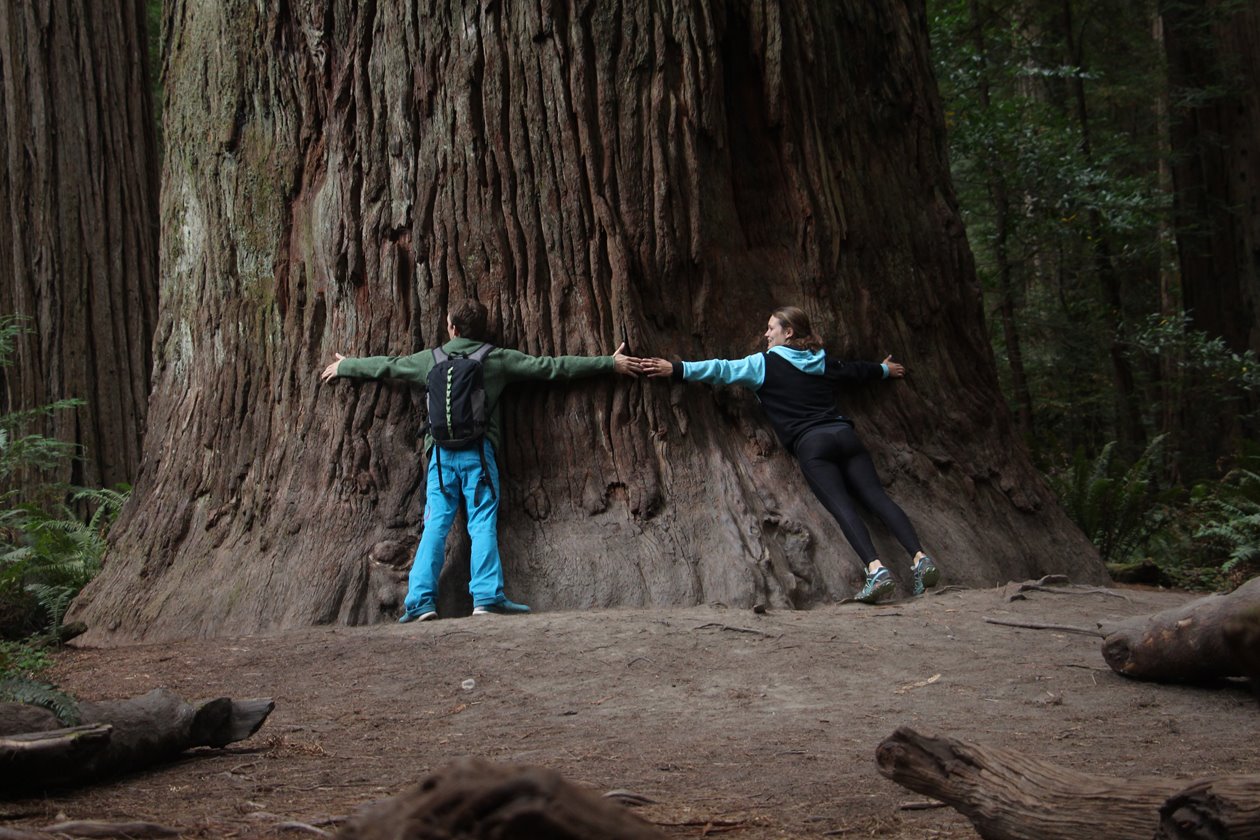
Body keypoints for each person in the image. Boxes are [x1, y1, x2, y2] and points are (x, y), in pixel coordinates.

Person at [321, 299, 644, 621]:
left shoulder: (429, 359)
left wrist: (348, 366)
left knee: (435, 524)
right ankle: (487, 597)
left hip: (440, 456)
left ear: (452, 327)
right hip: (478, 453)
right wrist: (607, 363)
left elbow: (389, 366)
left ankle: (420, 602)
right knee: (481, 522)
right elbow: (551, 367)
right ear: (482, 328)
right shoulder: (497, 359)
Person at [641, 305, 940, 604]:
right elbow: (856, 371)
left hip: (813, 445)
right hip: (845, 436)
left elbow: (721, 369)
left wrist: (677, 369)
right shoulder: (821, 361)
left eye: (771, 328)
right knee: (877, 498)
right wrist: (885, 370)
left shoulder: (763, 365)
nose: (766, 334)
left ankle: (876, 570)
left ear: (789, 332)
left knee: (842, 507)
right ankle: (920, 558)